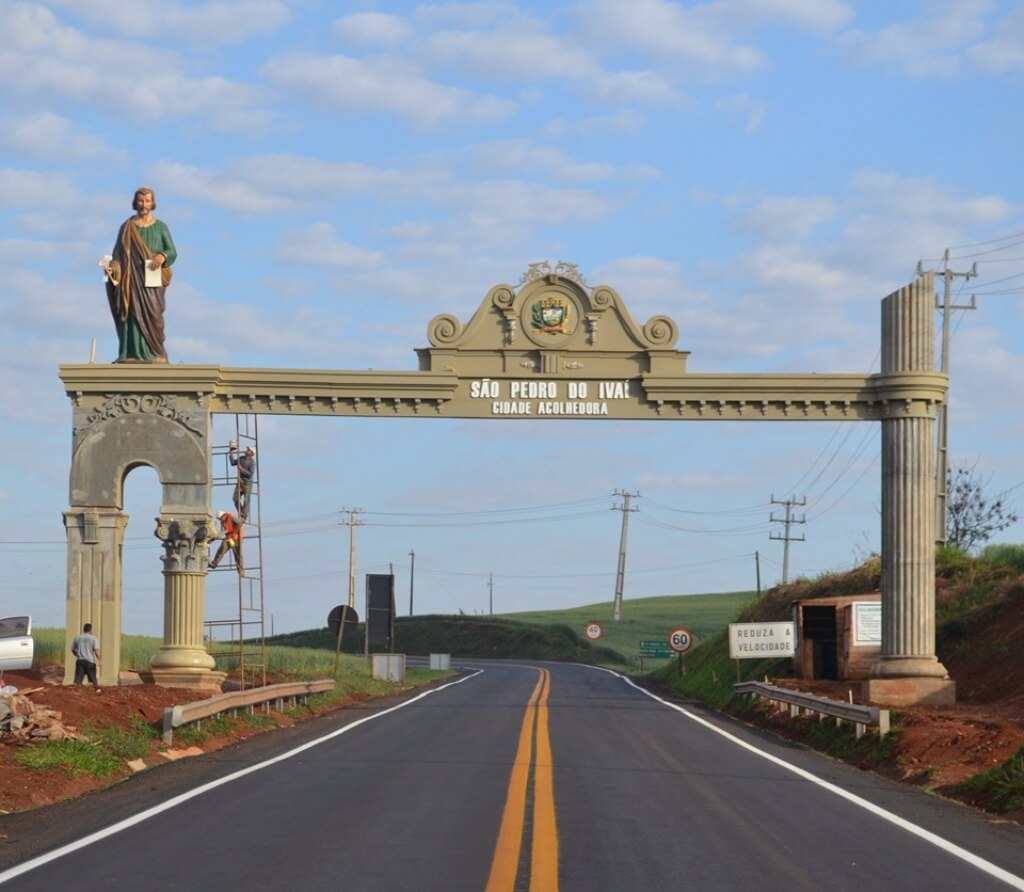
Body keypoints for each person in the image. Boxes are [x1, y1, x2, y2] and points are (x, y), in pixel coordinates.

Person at [103, 186, 177, 363]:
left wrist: (163, 255)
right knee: (131, 314)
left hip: (152, 280)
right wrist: (112, 269)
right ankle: (131, 353)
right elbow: (117, 256)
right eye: (141, 201)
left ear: (153, 203)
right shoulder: (126, 228)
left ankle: (156, 352)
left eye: (147, 201)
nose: (144, 204)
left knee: (154, 315)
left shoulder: (160, 227)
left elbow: (172, 251)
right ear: (135, 203)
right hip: (130, 281)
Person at [208, 510, 244, 575]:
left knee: (237, 554)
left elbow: (239, 524)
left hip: (237, 538)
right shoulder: (223, 521)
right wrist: (213, 538)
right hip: (230, 539)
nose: (220, 520)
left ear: (223, 516)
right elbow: (226, 531)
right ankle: (214, 563)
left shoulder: (231, 517)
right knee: (222, 549)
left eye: (220, 519)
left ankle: (241, 570)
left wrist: (232, 534)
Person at [71, 623, 102, 690]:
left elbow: (73, 649)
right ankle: (95, 691)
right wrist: (99, 660)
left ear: (84, 629)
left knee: (77, 681)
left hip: (80, 661)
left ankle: (75, 693)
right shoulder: (93, 638)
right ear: (90, 630)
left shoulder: (77, 638)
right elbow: (96, 651)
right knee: (93, 681)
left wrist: (77, 655)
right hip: (90, 662)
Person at [229, 445, 256, 521]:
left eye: (248, 450)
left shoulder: (252, 462)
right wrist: (231, 453)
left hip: (247, 483)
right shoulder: (241, 458)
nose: (246, 450)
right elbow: (233, 463)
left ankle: (244, 516)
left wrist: (241, 469)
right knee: (235, 498)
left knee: (246, 500)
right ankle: (241, 513)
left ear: (251, 453)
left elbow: (250, 474)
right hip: (240, 482)